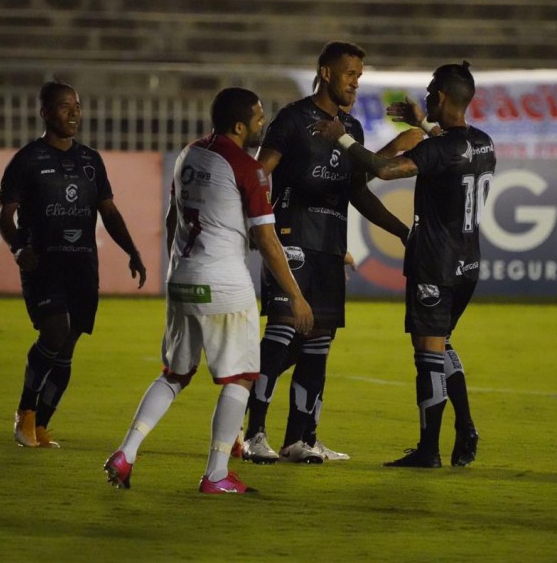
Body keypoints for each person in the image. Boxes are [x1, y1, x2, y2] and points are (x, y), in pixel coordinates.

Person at [103, 87, 313, 494]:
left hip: (181, 278)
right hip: (224, 284)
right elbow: (267, 240)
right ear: (239, 125)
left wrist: (178, 269)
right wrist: (297, 296)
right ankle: (216, 474)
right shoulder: (245, 168)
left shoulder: (188, 154)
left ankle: (126, 452)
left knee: (174, 374)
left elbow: (170, 220)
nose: (261, 123)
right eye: (257, 117)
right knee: (241, 378)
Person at [241, 41, 416, 464]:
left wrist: (399, 230)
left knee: (318, 343)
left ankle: (299, 439)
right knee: (283, 333)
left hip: (330, 248)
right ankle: (251, 435)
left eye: (360, 73)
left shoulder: (350, 130)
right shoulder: (293, 119)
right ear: (325, 72)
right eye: (350, 72)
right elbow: (260, 174)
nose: (356, 81)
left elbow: (355, 190)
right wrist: (255, 226)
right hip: (291, 240)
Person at [314, 61, 494, 468]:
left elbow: (383, 169)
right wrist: (424, 126)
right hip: (468, 264)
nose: (426, 98)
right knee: (442, 343)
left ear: (443, 97)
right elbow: (450, 152)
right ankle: (464, 426)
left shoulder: (439, 148)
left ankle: (429, 450)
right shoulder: (483, 143)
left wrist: (339, 137)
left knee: (427, 353)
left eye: (431, 92)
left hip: (435, 264)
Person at [0, 81, 146, 449]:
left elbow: (108, 212)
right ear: (45, 112)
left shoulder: (91, 160)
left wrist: (132, 250)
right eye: (65, 106)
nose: (74, 112)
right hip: (43, 264)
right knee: (54, 331)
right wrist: (18, 248)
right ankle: (25, 412)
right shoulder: (27, 160)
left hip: (82, 265)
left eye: (77, 106)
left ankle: (43, 425)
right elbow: (5, 214)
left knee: (68, 344)